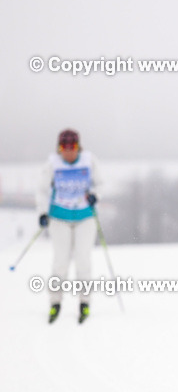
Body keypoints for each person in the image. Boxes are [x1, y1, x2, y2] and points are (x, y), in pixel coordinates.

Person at [37, 129, 101, 324]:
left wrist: (95, 195)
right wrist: (42, 213)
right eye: (63, 148)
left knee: (83, 261)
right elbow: (41, 190)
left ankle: (84, 302)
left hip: (85, 218)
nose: (68, 152)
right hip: (60, 218)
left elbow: (100, 184)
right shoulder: (52, 164)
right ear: (59, 149)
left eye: (72, 147)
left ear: (78, 147)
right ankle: (55, 303)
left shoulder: (89, 161)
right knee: (60, 263)